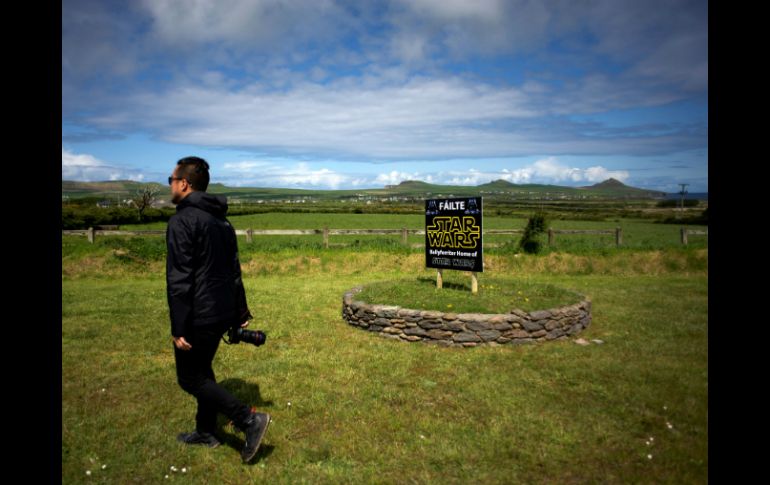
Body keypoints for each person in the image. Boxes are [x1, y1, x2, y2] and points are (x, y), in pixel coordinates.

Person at [166, 156, 270, 463]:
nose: (169, 185)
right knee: (204, 371)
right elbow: (233, 271)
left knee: (190, 379)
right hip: (221, 311)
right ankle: (206, 431)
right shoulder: (222, 222)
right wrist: (239, 310)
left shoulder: (182, 221)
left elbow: (180, 280)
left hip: (200, 314)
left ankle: (249, 420)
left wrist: (179, 327)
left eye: (171, 180)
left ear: (184, 184)